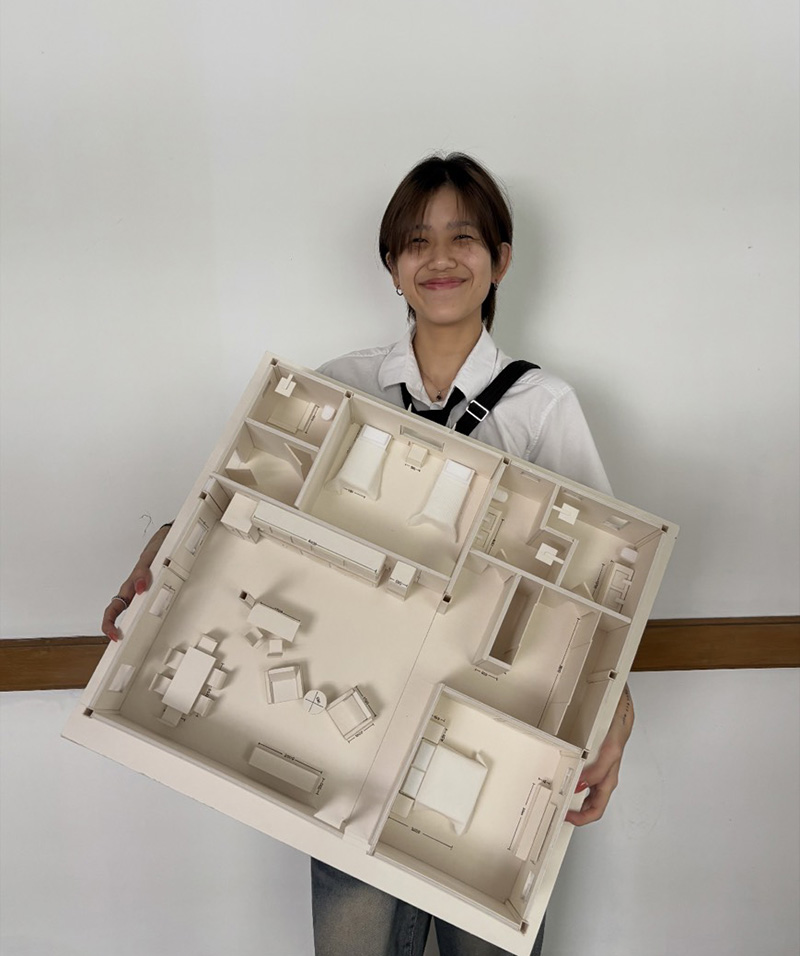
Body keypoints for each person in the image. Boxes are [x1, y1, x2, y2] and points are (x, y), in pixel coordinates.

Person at [102, 153, 635, 956]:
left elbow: (604, 590)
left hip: (485, 742)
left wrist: (619, 715)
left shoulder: (542, 405)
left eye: (463, 237)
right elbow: (245, 509)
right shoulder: (338, 384)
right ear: (392, 266)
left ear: (500, 260)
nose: (440, 258)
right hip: (345, 744)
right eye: (417, 241)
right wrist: (161, 545)